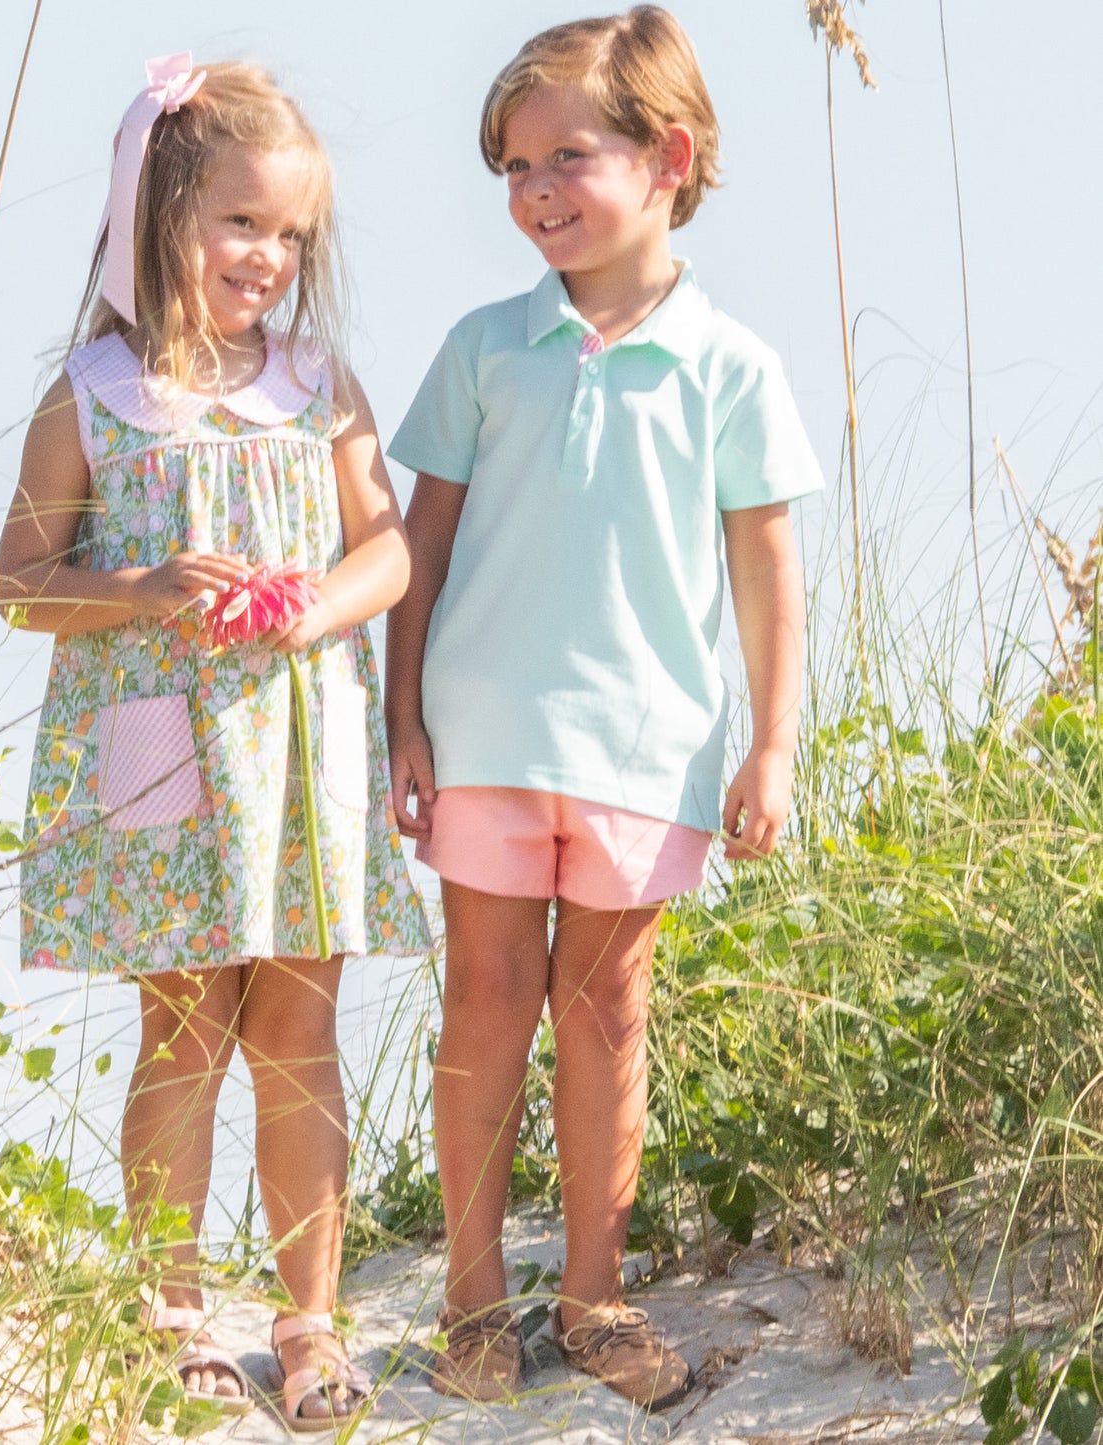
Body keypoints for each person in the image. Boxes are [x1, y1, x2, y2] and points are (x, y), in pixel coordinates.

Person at [385, 8, 823, 1410]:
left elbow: (765, 571)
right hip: (483, 731)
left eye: (565, 155)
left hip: (647, 744)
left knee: (605, 1006)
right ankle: (469, 1303)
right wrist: (401, 718)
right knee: (484, 996)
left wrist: (771, 739)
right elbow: (420, 552)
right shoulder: (481, 349)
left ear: (667, 156)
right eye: (512, 167)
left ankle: (592, 1295)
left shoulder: (730, 366)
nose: (534, 191)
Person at [0, 54, 431, 1431]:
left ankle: (309, 1318)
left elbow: (388, 548)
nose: (270, 257)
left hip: (301, 754)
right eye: (244, 222)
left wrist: (314, 603)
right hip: (162, 756)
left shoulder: (318, 385)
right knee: (181, 1027)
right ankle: (168, 1305)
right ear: (161, 205)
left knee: (297, 1031)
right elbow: (21, 579)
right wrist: (136, 592)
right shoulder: (92, 396)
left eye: (292, 235)